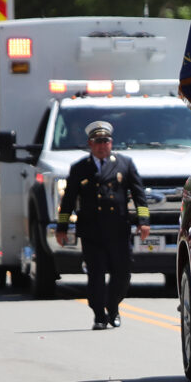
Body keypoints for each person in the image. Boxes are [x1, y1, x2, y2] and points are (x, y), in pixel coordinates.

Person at [55, 121, 149, 330]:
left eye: (105, 141)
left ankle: (113, 308)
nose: (102, 145)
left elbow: (139, 195)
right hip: (92, 231)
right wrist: (61, 228)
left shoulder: (125, 164)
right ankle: (99, 315)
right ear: (90, 143)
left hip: (118, 229)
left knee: (122, 274)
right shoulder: (80, 168)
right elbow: (68, 200)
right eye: (98, 141)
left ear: (111, 143)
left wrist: (144, 222)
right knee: (95, 275)